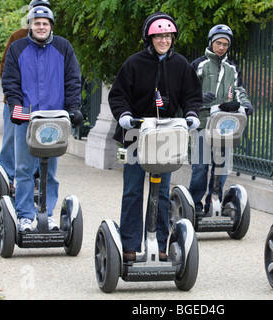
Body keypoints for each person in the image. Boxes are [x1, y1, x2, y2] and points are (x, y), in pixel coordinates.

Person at [108, 12, 202, 262]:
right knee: (133, 190)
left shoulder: (181, 64)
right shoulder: (134, 63)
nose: (164, 40)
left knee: (160, 192)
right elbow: (118, 95)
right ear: (150, 39)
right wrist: (124, 114)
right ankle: (129, 244)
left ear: (173, 38)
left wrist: (191, 114)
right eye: (159, 36)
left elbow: (192, 95)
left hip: (166, 134)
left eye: (168, 36)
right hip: (136, 133)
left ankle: (159, 243)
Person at [2, 6, 83, 232]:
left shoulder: (63, 47)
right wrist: (15, 107)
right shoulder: (17, 48)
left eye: (45, 23)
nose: (41, 27)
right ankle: (25, 217)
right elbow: (10, 81)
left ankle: (47, 214)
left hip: (54, 120)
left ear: (51, 26)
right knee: (24, 170)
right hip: (27, 119)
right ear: (30, 25)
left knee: (50, 171)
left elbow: (72, 79)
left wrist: (74, 107)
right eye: (36, 22)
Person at [188, 24, 253, 214]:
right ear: (211, 42)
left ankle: (213, 201)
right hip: (202, 122)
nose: (222, 47)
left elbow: (239, 90)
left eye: (225, 44)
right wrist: (199, 98)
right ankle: (194, 204)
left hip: (225, 123)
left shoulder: (232, 68)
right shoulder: (199, 65)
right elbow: (187, 92)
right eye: (218, 43)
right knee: (201, 166)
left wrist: (246, 104)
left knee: (222, 165)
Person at [0, 0, 52, 194]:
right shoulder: (17, 37)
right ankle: (8, 176)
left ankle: (34, 179)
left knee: (39, 140)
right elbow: (4, 70)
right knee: (12, 141)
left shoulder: (53, 41)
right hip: (17, 102)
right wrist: (16, 96)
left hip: (42, 105)